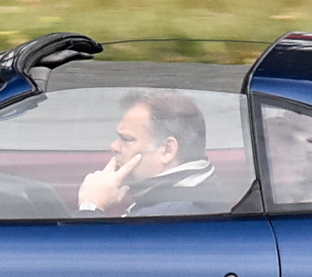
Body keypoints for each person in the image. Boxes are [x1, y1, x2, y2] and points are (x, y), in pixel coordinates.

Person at [76, 90, 229, 216]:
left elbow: (88, 252)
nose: (114, 146)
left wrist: (91, 205)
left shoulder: (165, 216)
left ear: (167, 150)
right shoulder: (200, 194)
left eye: (127, 139)